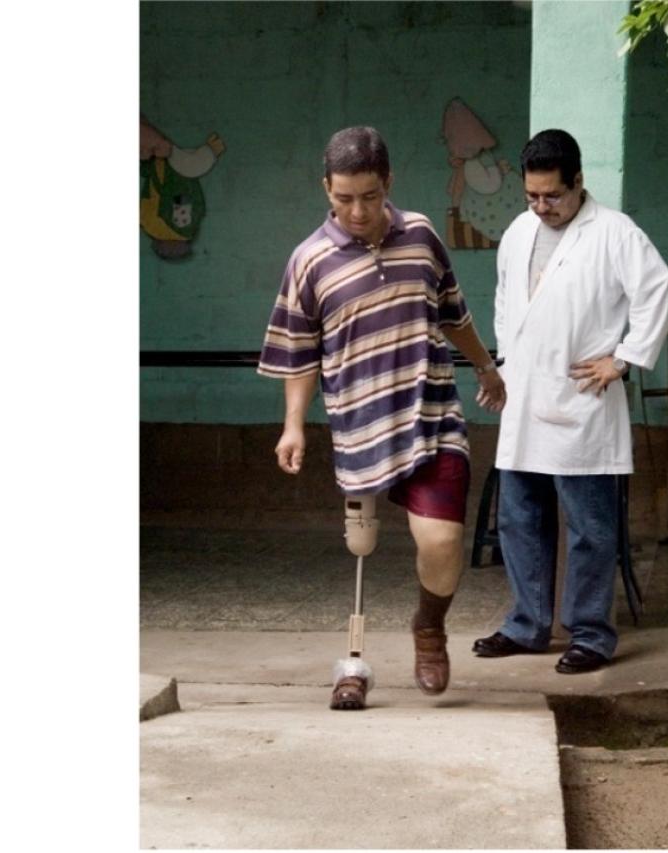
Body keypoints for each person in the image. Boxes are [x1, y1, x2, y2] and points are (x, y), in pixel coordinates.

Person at [258, 126, 506, 709]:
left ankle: (428, 627)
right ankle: (364, 652)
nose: (357, 211)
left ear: (387, 183)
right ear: (327, 188)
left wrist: (486, 368)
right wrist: (294, 424)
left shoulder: (420, 236)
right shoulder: (309, 261)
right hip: (361, 423)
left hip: (432, 413)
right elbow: (299, 352)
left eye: (368, 196)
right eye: (343, 198)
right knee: (361, 546)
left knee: (442, 540)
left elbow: (455, 313)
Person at [473, 129, 668, 674]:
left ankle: (590, 633)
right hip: (524, 396)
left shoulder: (614, 232)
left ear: (579, 183)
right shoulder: (519, 231)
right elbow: (505, 301)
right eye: (532, 196)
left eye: (553, 197)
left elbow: (661, 292)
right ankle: (526, 625)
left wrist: (625, 357)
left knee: (590, 528)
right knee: (519, 520)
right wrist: (502, 364)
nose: (542, 207)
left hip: (582, 397)